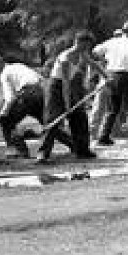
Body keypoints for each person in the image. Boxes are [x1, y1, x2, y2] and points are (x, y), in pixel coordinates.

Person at [40, 31, 105, 163]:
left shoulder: (82, 54)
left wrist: (105, 76)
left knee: (80, 117)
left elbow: (93, 64)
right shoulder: (65, 57)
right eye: (87, 45)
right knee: (53, 120)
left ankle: (82, 150)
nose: (88, 48)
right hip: (56, 88)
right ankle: (43, 153)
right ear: (79, 42)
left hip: (68, 87)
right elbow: (65, 84)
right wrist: (68, 105)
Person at [0, 55, 45, 158]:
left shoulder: (4, 73)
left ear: (0, 64)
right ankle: (74, 145)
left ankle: (17, 151)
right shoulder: (18, 66)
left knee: (6, 121)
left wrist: (3, 113)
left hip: (28, 94)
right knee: (50, 123)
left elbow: (10, 98)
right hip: (41, 92)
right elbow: (38, 78)